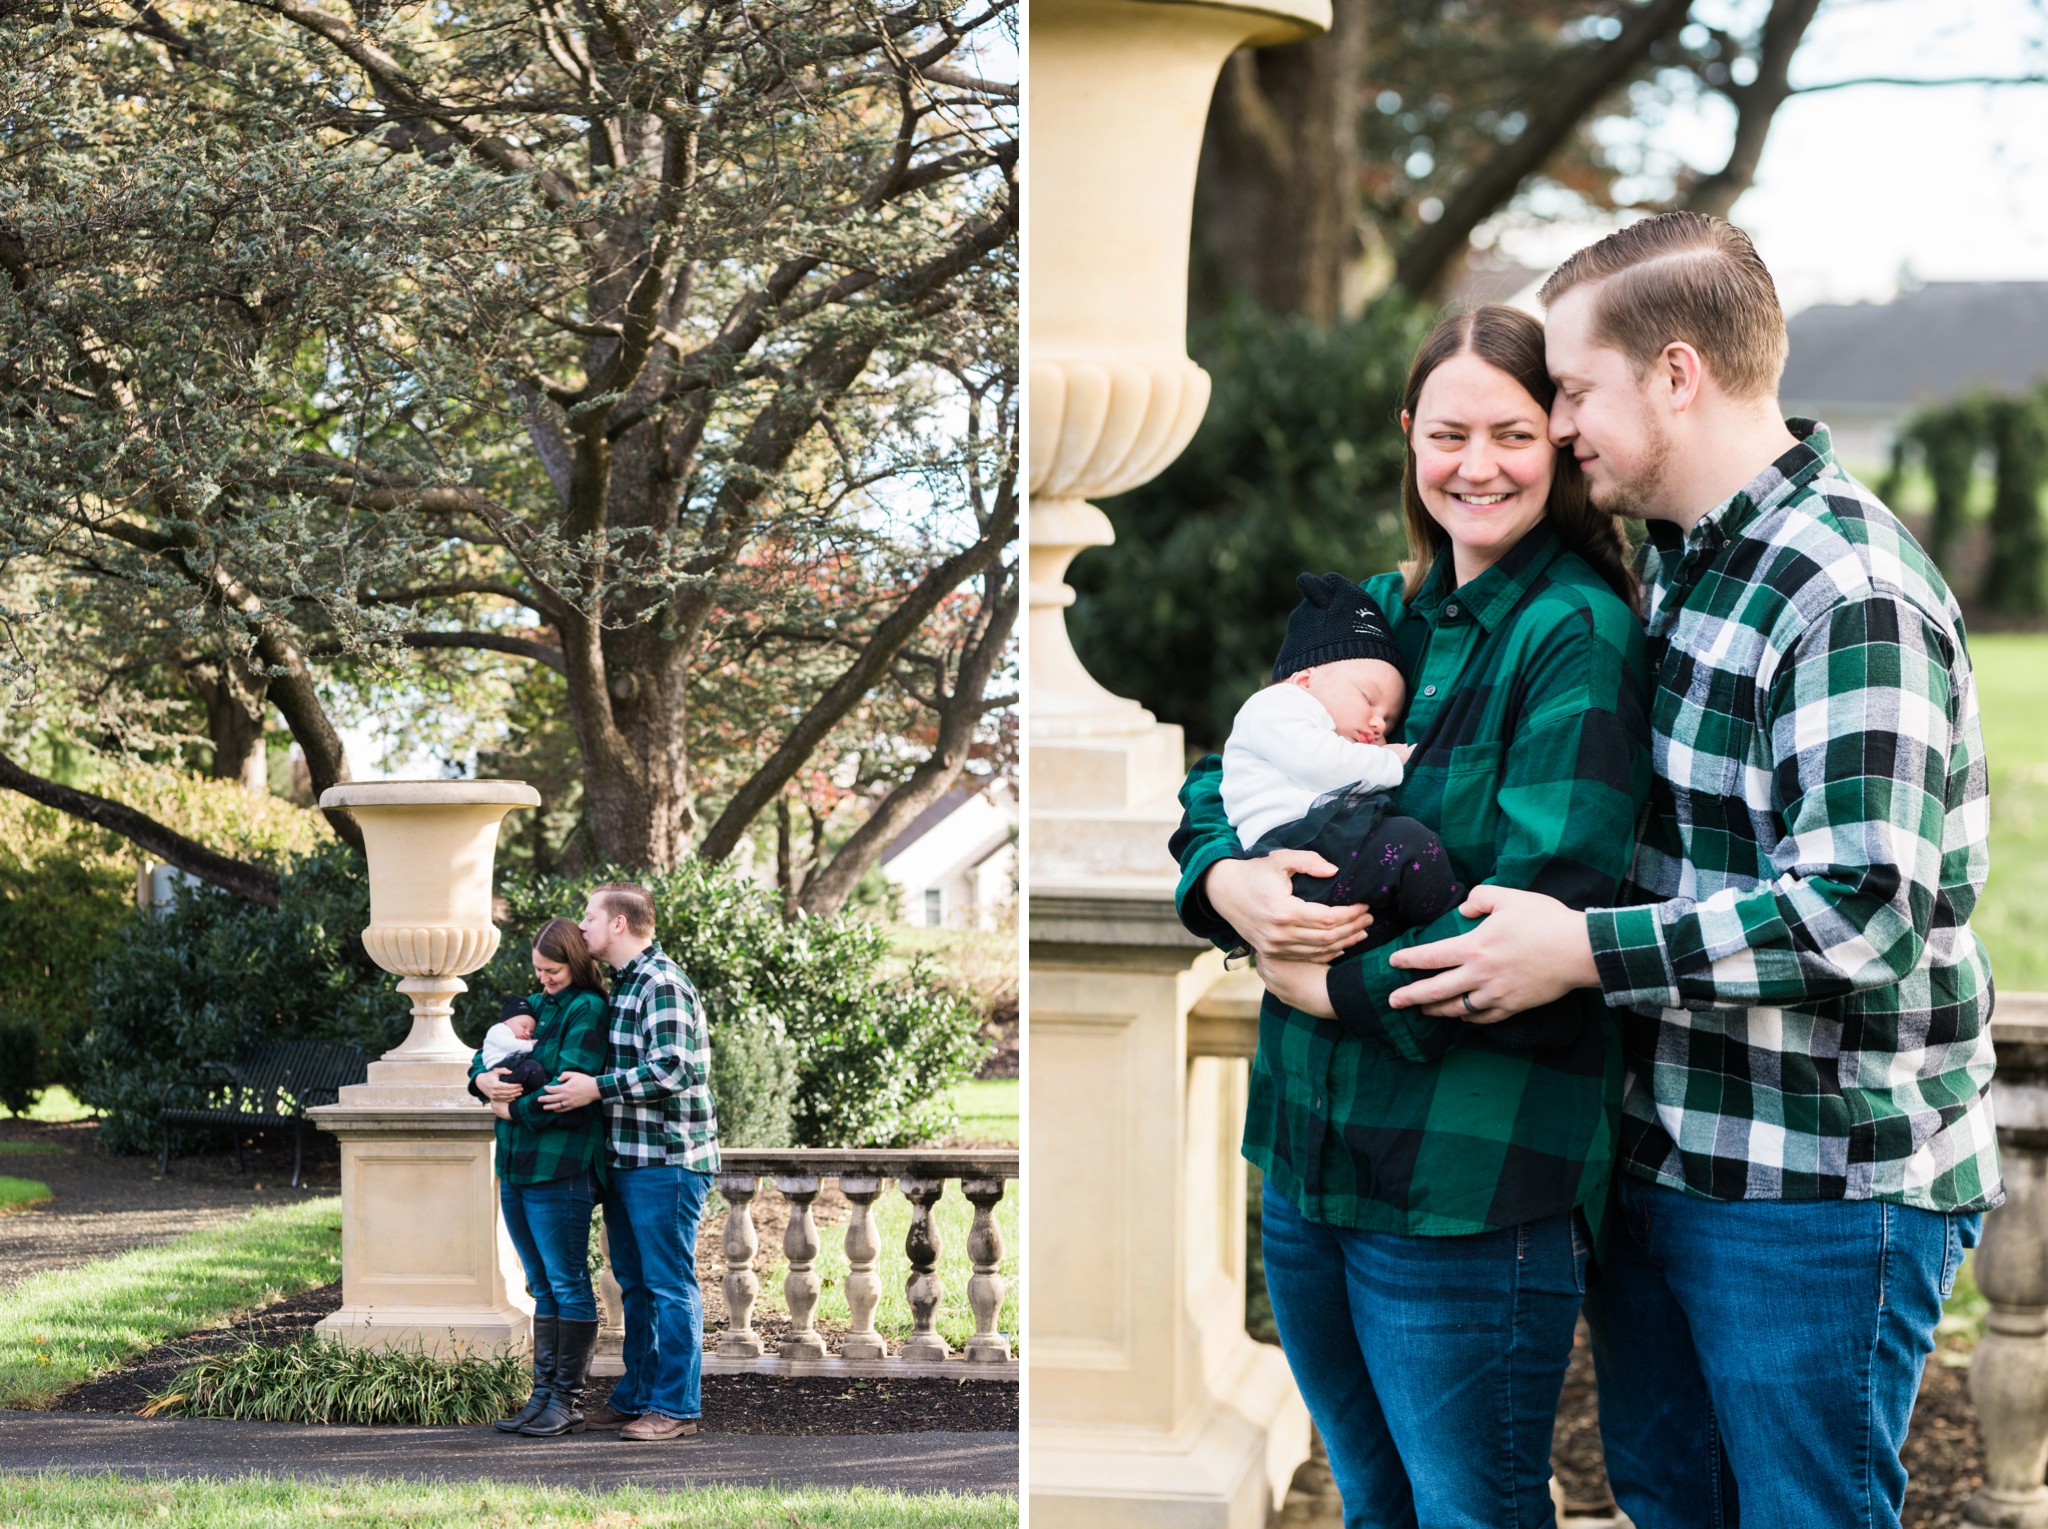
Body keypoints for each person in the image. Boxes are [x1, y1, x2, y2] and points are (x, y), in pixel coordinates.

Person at [1381, 212, 2000, 1528]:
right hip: (1664, 1159)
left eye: (1572, 389)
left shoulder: (1847, 592)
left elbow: (1864, 910)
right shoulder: (1670, 568)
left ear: (1676, 372)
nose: (1553, 426)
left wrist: (1582, 951)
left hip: (1820, 1184)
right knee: (1677, 1505)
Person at [1170, 302, 1652, 1526]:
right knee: (1372, 1502)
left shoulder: (1575, 638)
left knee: (1469, 1510)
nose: (1475, 464)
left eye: (1511, 432)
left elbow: (1534, 914)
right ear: (1407, 435)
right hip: (1308, 1159)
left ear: (1558, 441)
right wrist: (1224, 882)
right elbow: (1237, 769)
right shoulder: (1379, 611)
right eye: (1448, 433)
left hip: (1465, 1181)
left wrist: (1317, 981)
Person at [540, 882, 719, 1442]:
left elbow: (676, 1070)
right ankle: (638, 1395)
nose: (583, 925)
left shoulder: (660, 983)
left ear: (618, 924)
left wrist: (597, 1087)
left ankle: (678, 1408)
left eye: (590, 916)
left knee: (669, 1286)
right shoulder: (626, 984)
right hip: (630, 1160)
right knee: (637, 1286)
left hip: (667, 1160)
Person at [1220, 572, 1461, 937]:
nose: (1378, 723)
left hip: (1319, 848)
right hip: (1297, 844)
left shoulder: (1314, 726)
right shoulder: (1277, 705)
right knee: (1411, 843)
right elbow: (1319, 763)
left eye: (1389, 719)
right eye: (1368, 698)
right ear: (1305, 679)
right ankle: (1455, 921)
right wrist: (1392, 759)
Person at [467, 917, 609, 1438]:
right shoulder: (533, 1005)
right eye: (538, 970)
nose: (544, 979)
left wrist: (506, 1110)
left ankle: (565, 1400)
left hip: (562, 1167)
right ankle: (542, 1396)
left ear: (576, 962)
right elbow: (489, 1054)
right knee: (540, 1284)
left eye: (552, 970)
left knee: (567, 1283)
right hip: (516, 1166)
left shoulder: (587, 1009)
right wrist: (481, 1077)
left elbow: (564, 1093)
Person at [478, 998, 552, 1094]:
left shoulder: (516, 1037)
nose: (527, 1033)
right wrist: (531, 1044)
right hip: (501, 1068)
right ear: (506, 1022)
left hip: (511, 1069)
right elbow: (508, 1045)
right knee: (532, 1067)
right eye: (523, 1026)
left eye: (531, 1032)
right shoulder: (498, 1029)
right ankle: (546, 1091)